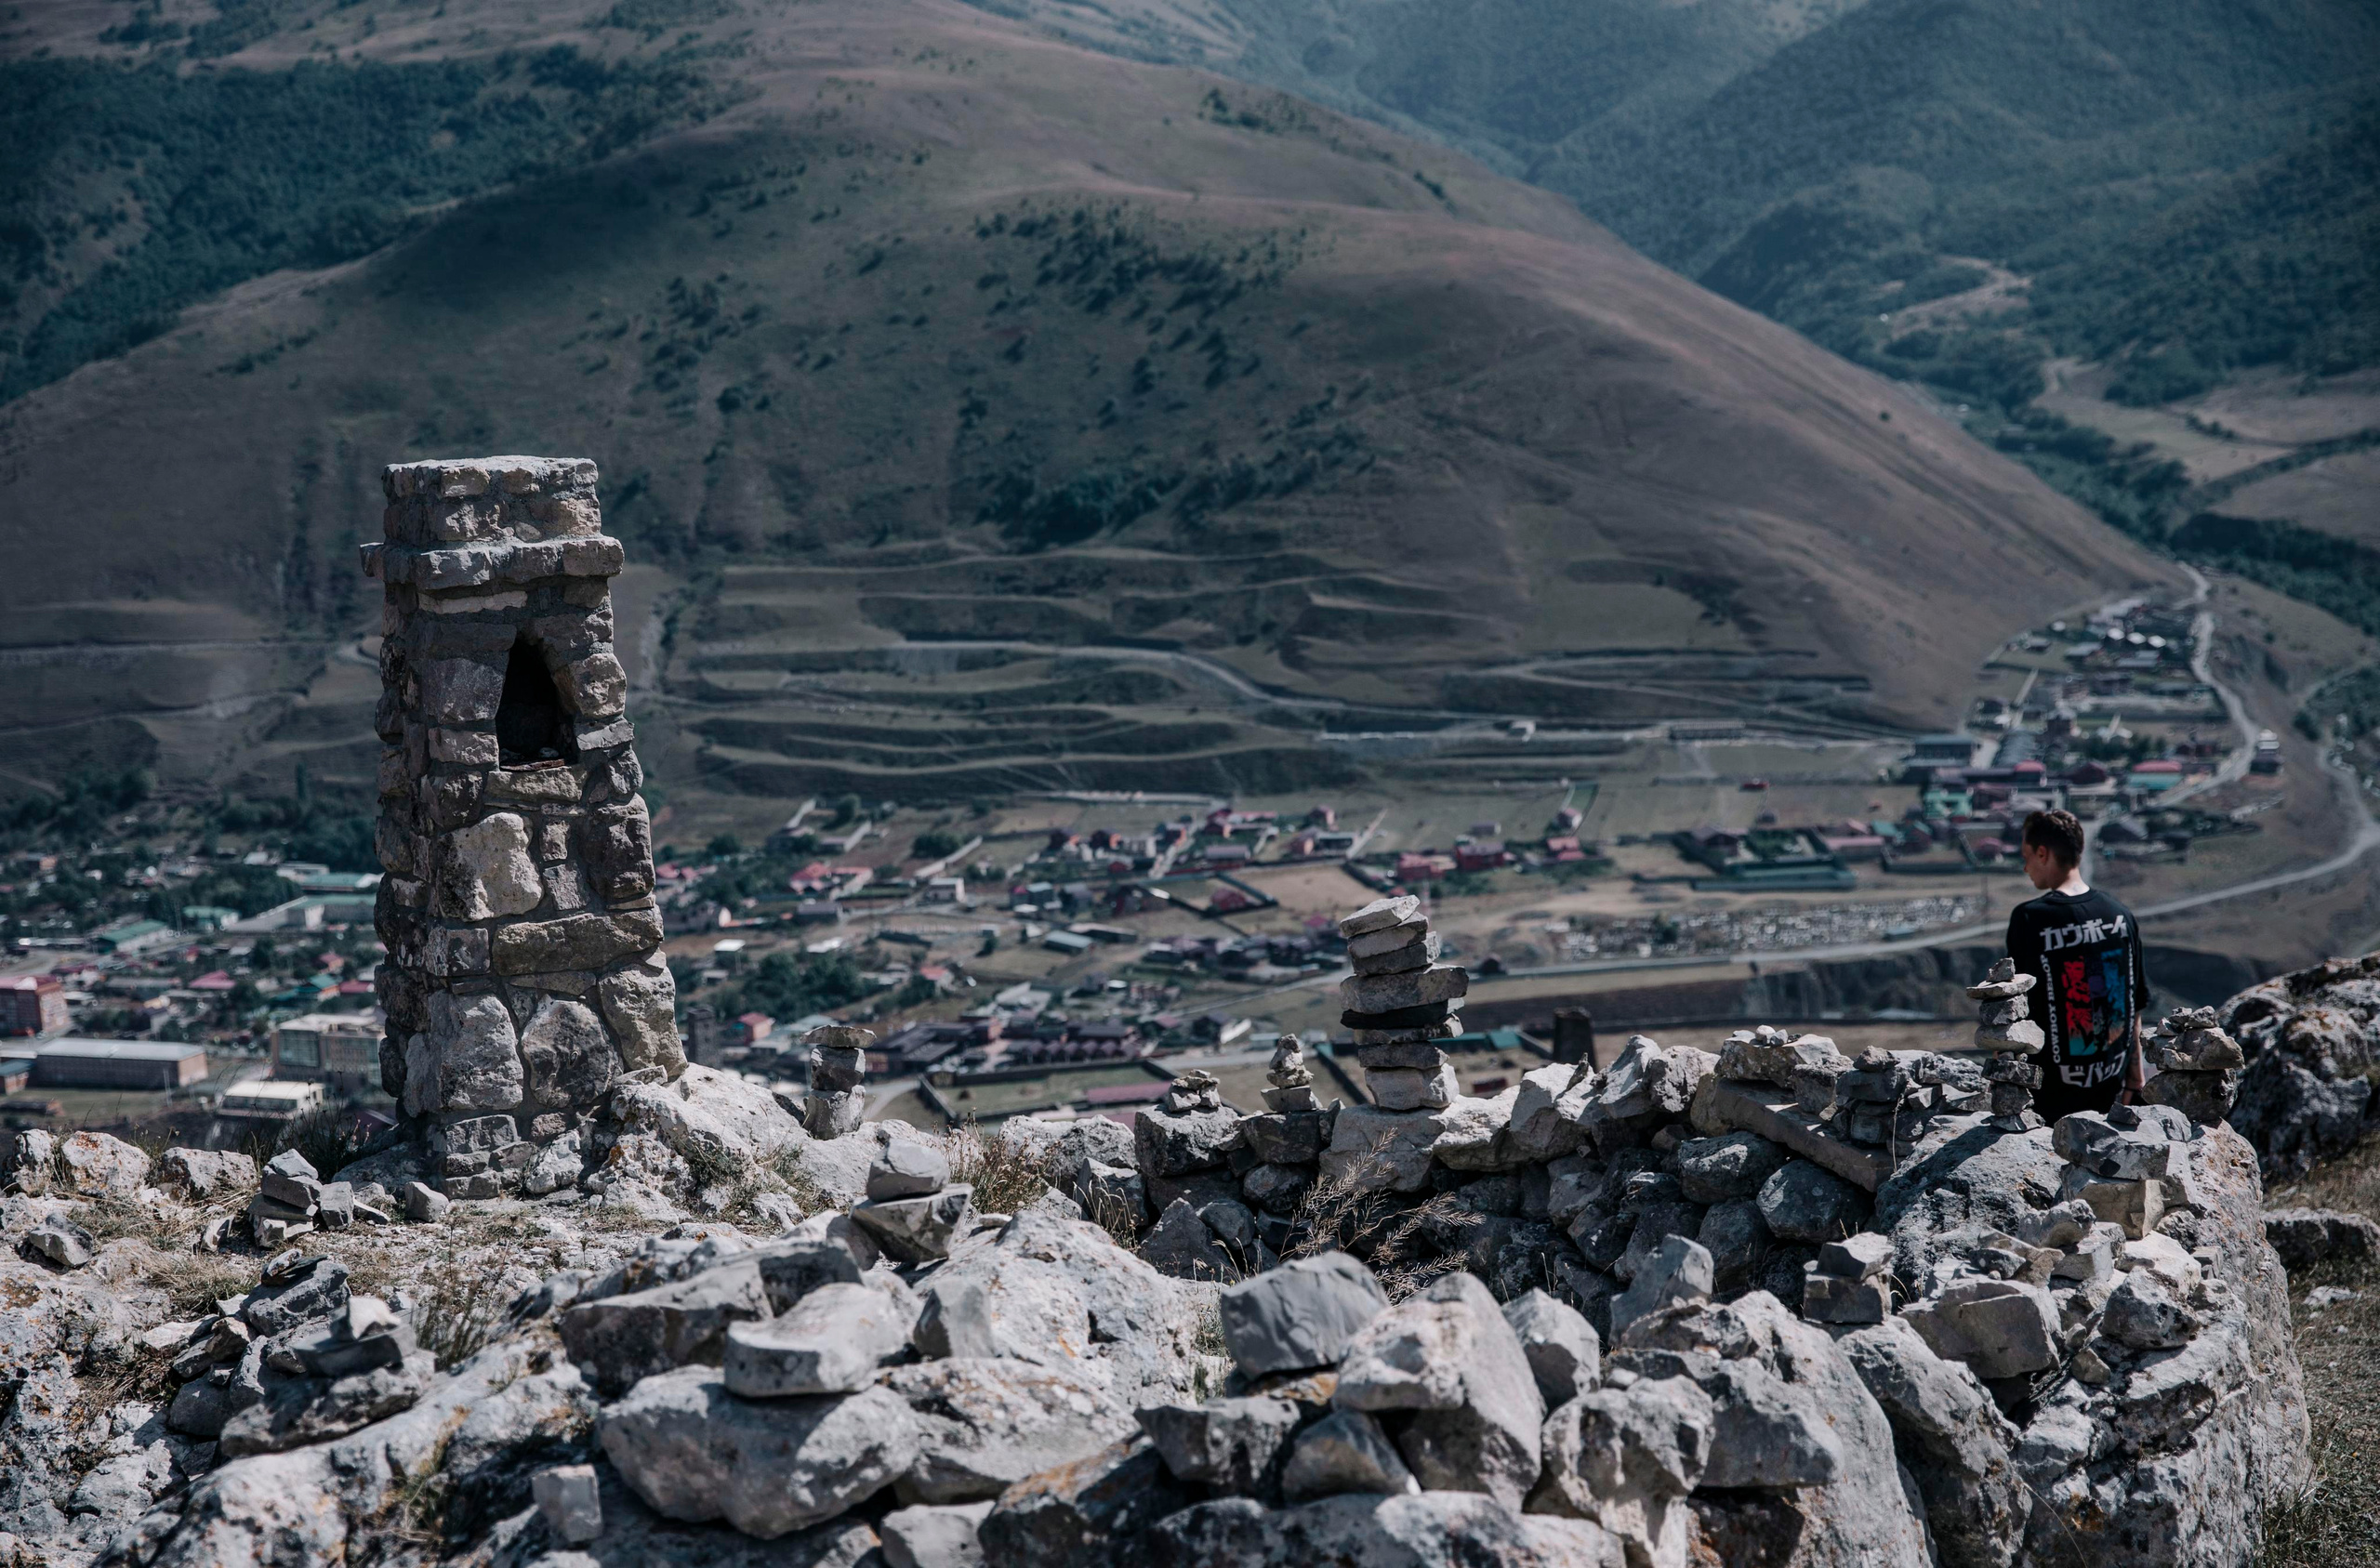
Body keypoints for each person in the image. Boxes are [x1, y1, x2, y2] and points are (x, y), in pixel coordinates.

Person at [2004, 808, 2149, 1123]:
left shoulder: (2030, 919)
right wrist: (2136, 1078)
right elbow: (2134, 1002)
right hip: (2111, 1091)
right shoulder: (2121, 915)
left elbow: (2016, 1011)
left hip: (2050, 1099)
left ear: (2043, 853)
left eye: (2026, 855)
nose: (2024, 865)